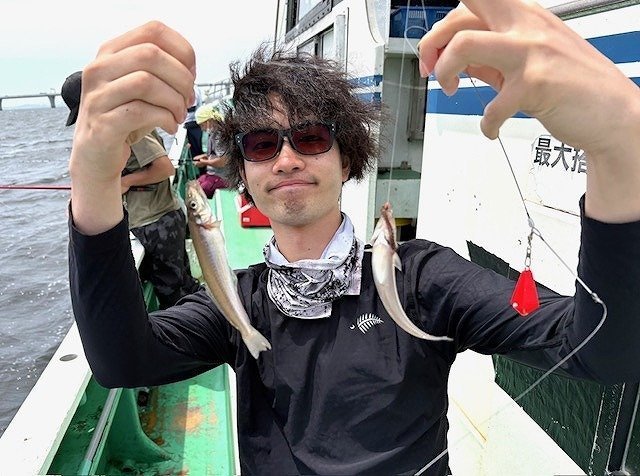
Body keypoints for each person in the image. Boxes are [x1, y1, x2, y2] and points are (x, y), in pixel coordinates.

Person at [66, 1, 640, 475]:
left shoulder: (422, 280)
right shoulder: (237, 303)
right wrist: (92, 178)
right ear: (246, 173)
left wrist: (620, 145)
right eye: (263, 145)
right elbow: (122, 361)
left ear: (347, 159)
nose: (287, 159)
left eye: (312, 138)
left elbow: (602, 350)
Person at [62, 71, 200, 310]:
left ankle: (201, 327)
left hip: (157, 222)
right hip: (151, 220)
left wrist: (125, 182)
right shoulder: (120, 124)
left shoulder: (126, 127)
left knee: (174, 291)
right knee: (178, 285)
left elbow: (164, 168)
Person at [192, 103, 230, 198]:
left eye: (202, 125)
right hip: (214, 173)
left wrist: (204, 162)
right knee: (193, 186)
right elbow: (216, 153)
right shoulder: (213, 132)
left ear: (208, 121)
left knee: (199, 192)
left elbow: (223, 161)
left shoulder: (220, 135)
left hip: (224, 177)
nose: (202, 129)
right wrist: (204, 156)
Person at [183, 84, 205, 164]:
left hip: (193, 123)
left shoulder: (193, 89)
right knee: (197, 149)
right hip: (193, 123)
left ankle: (202, 167)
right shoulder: (195, 88)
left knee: (197, 150)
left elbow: (191, 107)